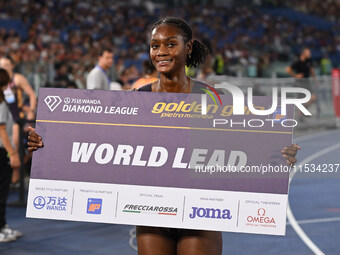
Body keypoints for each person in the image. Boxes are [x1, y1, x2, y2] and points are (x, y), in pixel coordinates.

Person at [28, 17, 300, 255]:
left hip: (201, 215)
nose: (161, 52)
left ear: (188, 47)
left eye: (171, 44)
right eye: (155, 45)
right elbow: (95, 147)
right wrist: (49, 145)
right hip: (150, 216)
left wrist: (276, 153)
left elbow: (242, 151)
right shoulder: (136, 101)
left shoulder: (215, 99)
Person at [0, 55, 37, 184]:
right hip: (2, 117)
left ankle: (15, 177)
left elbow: (32, 95)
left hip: (15, 119)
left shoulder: (17, 79)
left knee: (14, 147)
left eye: (5, 65)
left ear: (12, 66)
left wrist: (31, 111)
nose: (2, 67)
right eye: (1, 65)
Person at [0, 68, 22, 242]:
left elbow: (14, 104)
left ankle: (2, 224)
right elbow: (2, 132)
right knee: (1, 190)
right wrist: (12, 153)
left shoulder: (4, 101)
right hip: (2, 152)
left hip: (2, 151)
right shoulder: (0, 104)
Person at [286, 48, 319, 118]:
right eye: (308, 52)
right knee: (301, 100)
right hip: (299, 83)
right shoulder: (297, 61)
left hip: (307, 82)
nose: (310, 54)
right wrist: (295, 76)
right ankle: (301, 116)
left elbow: (312, 71)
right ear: (303, 53)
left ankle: (303, 111)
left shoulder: (309, 61)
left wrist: (316, 80)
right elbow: (288, 69)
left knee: (313, 97)